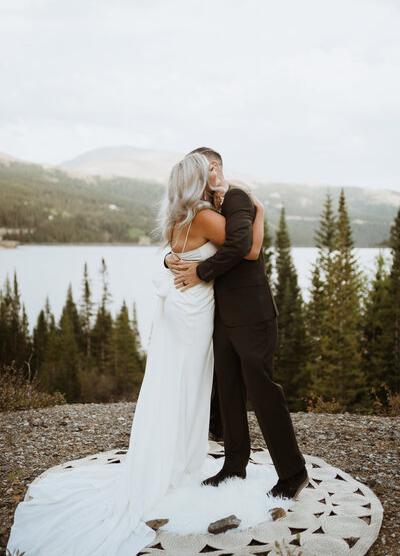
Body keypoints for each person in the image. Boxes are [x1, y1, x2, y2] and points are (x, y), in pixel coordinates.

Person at [6, 151, 265, 556]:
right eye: (207, 173)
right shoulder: (202, 217)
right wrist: (256, 207)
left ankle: (173, 458)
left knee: (175, 384)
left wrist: (174, 258)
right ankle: (179, 465)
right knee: (189, 385)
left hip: (181, 311)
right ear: (198, 181)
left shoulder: (178, 218)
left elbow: (174, 255)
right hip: (195, 313)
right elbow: (246, 246)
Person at [167, 147, 309, 500]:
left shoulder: (236, 196)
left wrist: (201, 272)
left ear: (212, 168)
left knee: (263, 392)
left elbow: (246, 246)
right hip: (222, 317)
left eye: (200, 171)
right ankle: (234, 465)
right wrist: (173, 261)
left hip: (252, 314)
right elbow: (194, 245)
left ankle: (293, 473)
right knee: (227, 391)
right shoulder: (206, 208)